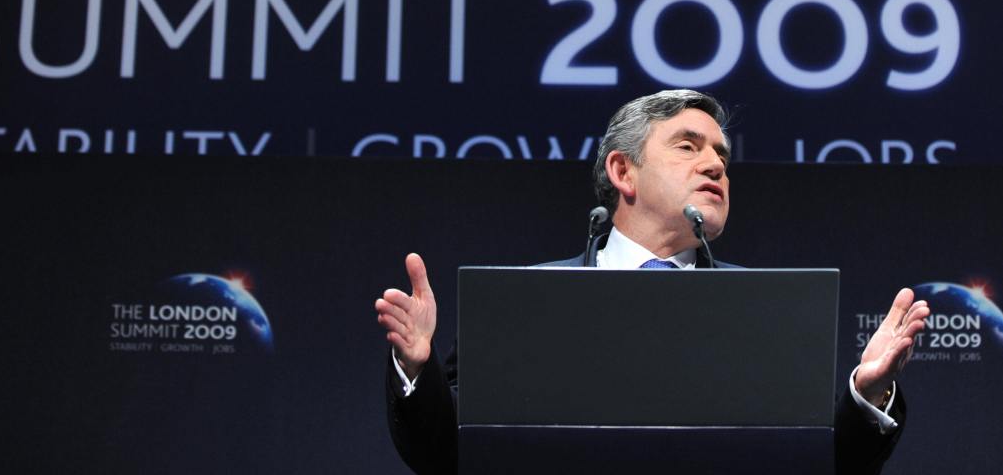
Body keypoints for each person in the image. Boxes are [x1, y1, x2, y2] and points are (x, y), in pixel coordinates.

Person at [374, 89, 929, 475]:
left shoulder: (764, 310)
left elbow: (821, 462)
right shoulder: (527, 300)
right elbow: (448, 455)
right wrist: (417, 369)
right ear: (623, 172)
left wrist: (866, 395)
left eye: (721, 155)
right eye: (688, 146)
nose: (715, 165)